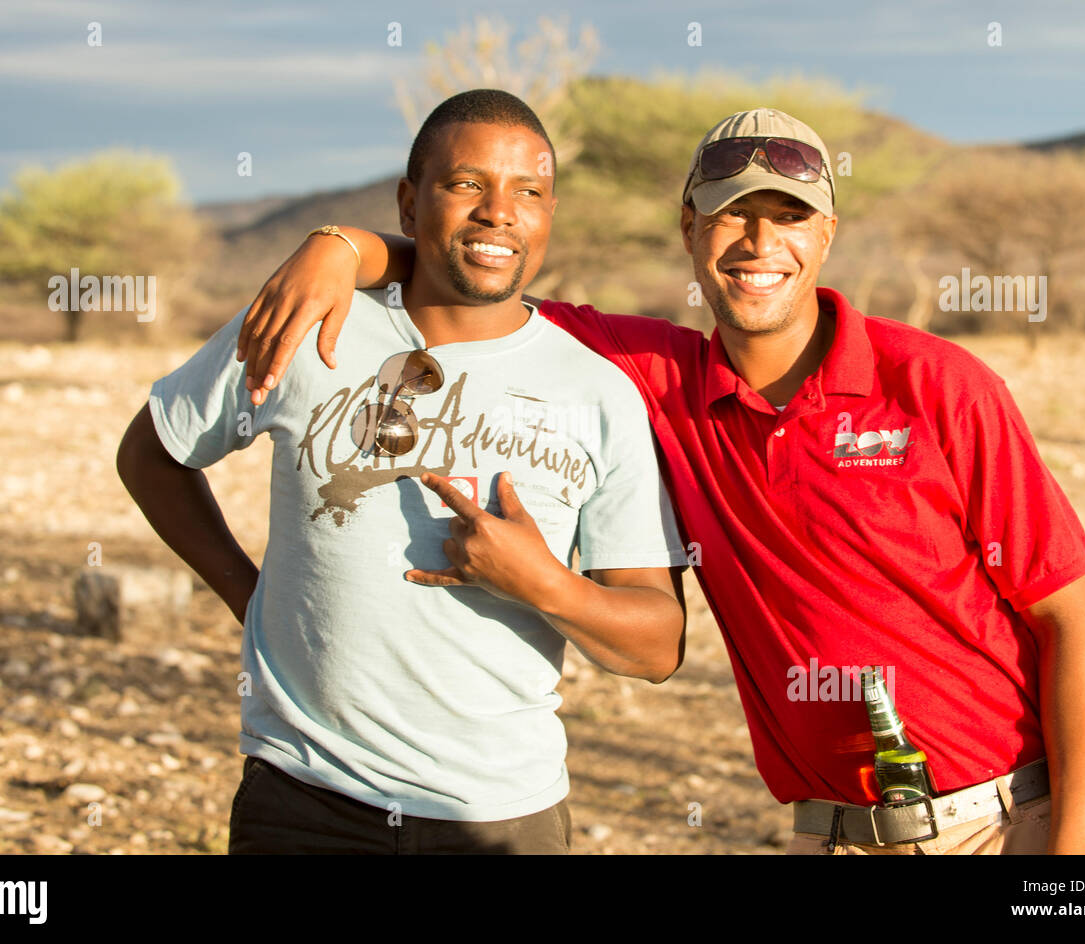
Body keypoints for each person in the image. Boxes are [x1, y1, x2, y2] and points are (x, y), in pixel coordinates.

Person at [235, 105, 1085, 855]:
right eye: (732, 214)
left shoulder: (937, 385)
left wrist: (1076, 855)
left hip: (1017, 820)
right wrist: (343, 246)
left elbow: (1071, 619)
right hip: (834, 835)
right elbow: (475, 271)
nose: (758, 242)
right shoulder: (652, 377)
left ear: (826, 234)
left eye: (787, 216)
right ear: (690, 231)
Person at [116, 89, 687, 855]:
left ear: (550, 214)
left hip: (501, 817)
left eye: (529, 192)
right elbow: (154, 449)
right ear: (409, 203)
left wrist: (544, 583)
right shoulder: (313, 316)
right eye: (465, 184)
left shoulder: (598, 391)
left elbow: (655, 646)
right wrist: (243, 592)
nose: (498, 212)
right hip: (304, 796)